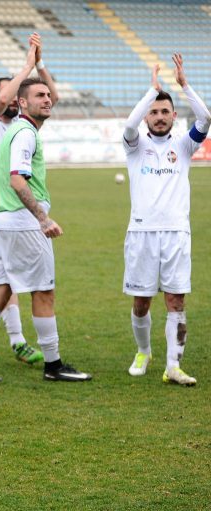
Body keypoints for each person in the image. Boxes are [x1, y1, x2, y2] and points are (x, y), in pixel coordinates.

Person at [0, 77, 92, 384]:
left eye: (47, 95)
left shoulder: (15, 130)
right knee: (43, 291)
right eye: (39, 95)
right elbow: (17, 179)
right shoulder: (24, 133)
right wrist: (42, 219)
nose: (47, 99)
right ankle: (53, 365)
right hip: (23, 224)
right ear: (22, 102)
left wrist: (39, 66)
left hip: (3, 222)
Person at [122, 54, 210, 386]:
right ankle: (143, 351)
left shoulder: (184, 145)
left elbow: (205, 118)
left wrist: (184, 86)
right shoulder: (135, 145)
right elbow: (128, 126)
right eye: (154, 112)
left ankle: (173, 366)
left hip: (176, 233)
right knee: (141, 302)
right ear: (147, 115)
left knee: (176, 300)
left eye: (164, 112)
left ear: (174, 116)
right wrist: (152, 91)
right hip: (142, 233)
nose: (159, 117)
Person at [0, 34, 57, 366]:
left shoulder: (23, 126)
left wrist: (39, 65)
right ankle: (8, 341)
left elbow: (52, 99)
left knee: (6, 280)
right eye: (7, 92)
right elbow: (7, 99)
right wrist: (25, 68)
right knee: (5, 279)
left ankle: (0, 343)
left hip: (14, 209)